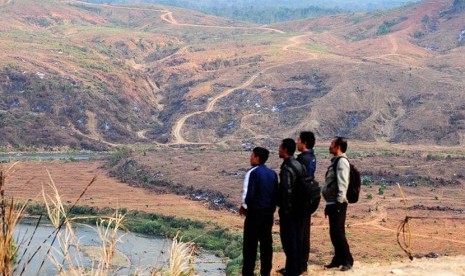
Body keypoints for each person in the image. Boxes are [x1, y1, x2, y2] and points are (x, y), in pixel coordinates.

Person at [240, 147, 279, 276]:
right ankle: (265, 272)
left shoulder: (252, 173)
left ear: (257, 158)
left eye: (252, 155)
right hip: (268, 214)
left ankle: (248, 273)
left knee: (250, 246)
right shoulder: (273, 174)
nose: (250, 157)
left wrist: (244, 207)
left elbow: (247, 194)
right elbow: (275, 195)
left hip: (254, 214)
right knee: (266, 244)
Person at [322, 136, 354, 271]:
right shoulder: (336, 161)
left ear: (338, 147)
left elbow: (343, 183)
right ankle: (338, 258)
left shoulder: (341, 162)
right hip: (332, 202)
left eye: (332, 144)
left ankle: (348, 260)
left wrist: (339, 203)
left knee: (338, 232)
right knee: (334, 233)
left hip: (338, 203)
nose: (330, 146)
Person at [277, 138, 306, 276]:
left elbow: (286, 191)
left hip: (290, 211)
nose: (278, 150)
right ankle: (294, 268)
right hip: (300, 209)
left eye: (280, 148)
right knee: (296, 239)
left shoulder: (288, 168)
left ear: (286, 150)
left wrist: (285, 210)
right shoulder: (299, 164)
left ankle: (292, 271)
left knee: (289, 241)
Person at [296, 131, 317, 273]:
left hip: (301, 200)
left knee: (299, 234)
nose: (296, 142)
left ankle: (300, 265)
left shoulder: (303, 159)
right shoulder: (311, 157)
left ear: (304, 143)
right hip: (308, 199)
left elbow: (299, 181)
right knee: (305, 233)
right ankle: (302, 264)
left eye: (298, 140)